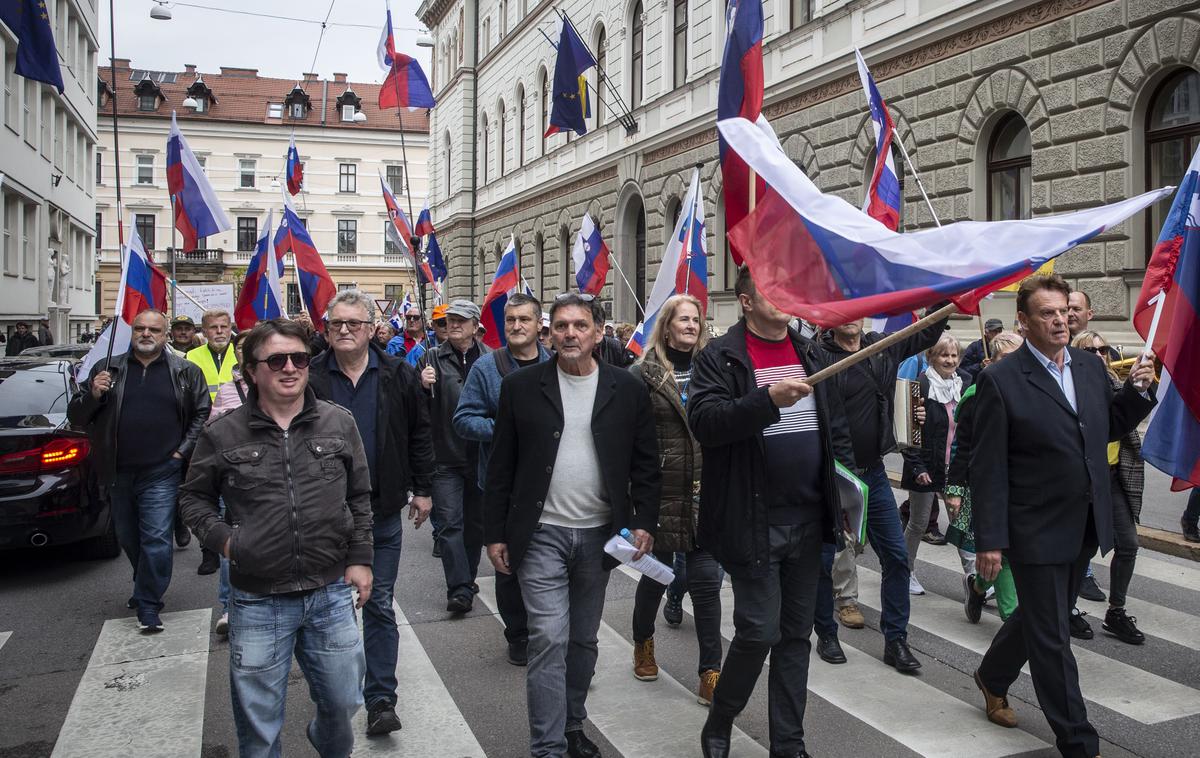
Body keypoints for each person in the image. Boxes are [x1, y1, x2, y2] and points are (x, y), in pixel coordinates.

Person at [970, 275, 1155, 757]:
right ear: (1024, 322)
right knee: (1052, 637)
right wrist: (989, 537)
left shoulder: (1091, 371)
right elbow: (987, 466)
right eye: (1048, 313)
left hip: (1085, 522)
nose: (1060, 320)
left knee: (1039, 616)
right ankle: (1078, 740)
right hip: (1033, 527)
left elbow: (1103, 428)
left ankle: (991, 675)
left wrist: (1136, 395)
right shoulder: (1000, 380)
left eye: (1064, 311)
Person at [180, 318, 373, 758]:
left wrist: (360, 557)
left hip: (329, 593)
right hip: (258, 599)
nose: (290, 368)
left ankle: (324, 739)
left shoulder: (337, 423)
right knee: (259, 726)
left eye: (300, 359)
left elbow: (360, 495)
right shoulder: (223, 432)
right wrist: (228, 543)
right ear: (252, 370)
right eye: (277, 360)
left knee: (344, 703)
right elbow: (193, 500)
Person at [690, 267, 857, 758]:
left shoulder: (810, 352)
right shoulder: (720, 357)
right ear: (745, 301)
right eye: (770, 289)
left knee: (795, 637)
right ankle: (721, 719)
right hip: (752, 521)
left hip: (808, 521)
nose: (783, 297)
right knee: (759, 630)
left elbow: (834, 431)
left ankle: (789, 743)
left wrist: (846, 494)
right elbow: (707, 423)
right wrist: (766, 401)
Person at [483, 293, 659, 758]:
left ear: (599, 333)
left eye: (580, 326)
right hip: (540, 533)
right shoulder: (521, 388)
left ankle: (572, 726)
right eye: (561, 326)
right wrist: (495, 532)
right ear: (549, 333)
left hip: (601, 536)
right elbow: (501, 466)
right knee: (548, 637)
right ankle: (547, 747)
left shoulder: (628, 388)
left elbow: (645, 465)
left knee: (582, 639)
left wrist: (643, 521)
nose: (570, 334)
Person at [307, 290, 435, 735]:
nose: (345, 330)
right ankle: (333, 697)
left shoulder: (398, 373)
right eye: (337, 324)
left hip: (379, 509)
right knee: (329, 608)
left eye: (354, 323)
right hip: (320, 514)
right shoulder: (308, 376)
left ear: (370, 328)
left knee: (378, 602)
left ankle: (381, 698)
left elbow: (420, 433)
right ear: (326, 330)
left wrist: (423, 489)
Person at [812, 313, 946, 668]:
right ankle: (826, 632)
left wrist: (953, 293)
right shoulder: (817, 356)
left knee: (897, 559)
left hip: (873, 474)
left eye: (858, 310)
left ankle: (896, 640)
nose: (851, 318)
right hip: (833, 476)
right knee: (826, 560)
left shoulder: (880, 349)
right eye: (843, 310)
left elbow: (924, 332)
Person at [67, 309, 210, 632]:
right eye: (140, 329)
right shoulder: (108, 368)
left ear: (166, 335)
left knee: (157, 538)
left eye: (154, 330)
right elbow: (77, 416)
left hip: (162, 469)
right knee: (130, 537)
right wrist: (93, 394)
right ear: (132, 333)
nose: (146, 334)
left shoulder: (185, 371)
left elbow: (201, 413)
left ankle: (149, 602)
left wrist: (180, 452)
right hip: (118, 470)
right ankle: (143, 578)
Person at [627, 294, 725, 706]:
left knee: (706, 585)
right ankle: (643, 645)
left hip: (707, 492)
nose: (690, 324)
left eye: (695, 319)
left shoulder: (716, 369)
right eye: (682, 319)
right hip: (661, 494)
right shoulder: (641, 375)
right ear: (666, 326)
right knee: (657, 577)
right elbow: (627, 440)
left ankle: (710, 671)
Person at [453, 293, 549, 666]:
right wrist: (503, 429)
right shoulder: (486, 368)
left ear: (539, 324)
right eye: (510, 320)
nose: (516, 326)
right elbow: (463, 420)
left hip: (547, 483)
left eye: (524, 319)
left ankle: (548, 629)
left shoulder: (556, 365)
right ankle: (518, 634)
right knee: (509, 563)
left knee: (548, 561)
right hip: (502, 486)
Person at [1072, 330, 1147, 645]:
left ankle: (1116, 611)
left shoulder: (1117, 386)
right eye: (1091, 350)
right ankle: (1066, 608)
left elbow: (1125, 415)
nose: (1100, 355)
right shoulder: (1072, 392)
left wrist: (1141, 384)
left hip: (1113, 477)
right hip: (1080, 480)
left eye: (1104, 350)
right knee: (1080, 549)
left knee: (1128, 544)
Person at [946, 331, 1024, 625]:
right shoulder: (975, 397)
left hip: (1022, 487)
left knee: (1011, 551)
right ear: (989, 362)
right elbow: (962, 447)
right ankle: (1013, 621)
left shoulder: (1033, 390)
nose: (1012, 365)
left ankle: (977, 587)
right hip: (988, 487)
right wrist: (954, 489)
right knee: (999, 553)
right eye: (1005, 358)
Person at [420, 299, 489, 613]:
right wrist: (422, 384)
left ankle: (468, 576)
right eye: (449, 321)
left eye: (461, 321)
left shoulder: (491, 359)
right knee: (450, 524)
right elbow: (415, 407)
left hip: (481, 456)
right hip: (445, 456)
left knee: (476, 526)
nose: (454, 326)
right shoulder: (430, 357)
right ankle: (459, 589)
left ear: (476, 326)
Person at [901, 333, 972, 594]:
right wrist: (917, 467)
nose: (950, 360)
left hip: (954, 468)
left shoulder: (965, 383)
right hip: (926, 466)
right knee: (919, 523)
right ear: (931, 357)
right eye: (944, 355)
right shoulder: (920, 385)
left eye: (954, 355)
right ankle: (904, 570)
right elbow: (909, 433)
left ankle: (973, 578)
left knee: (959, 520)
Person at [204, 330, 252, 630]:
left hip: (270, 478)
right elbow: (213, 431)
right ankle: (229, 607)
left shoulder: (284, 382)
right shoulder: (227, 390)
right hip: (234, 476)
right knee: (230, 542)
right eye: (242, 348)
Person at [186, 309, 239, 555]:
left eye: (224, 327)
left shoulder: (241, 352)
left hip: (235, 434)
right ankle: (209, 552)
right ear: (204, 331)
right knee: (205, 495)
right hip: (202, 435)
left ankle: (228, 544)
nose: (219, 332)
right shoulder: (192, 356)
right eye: (214, 328)